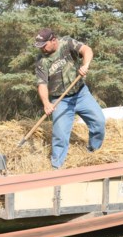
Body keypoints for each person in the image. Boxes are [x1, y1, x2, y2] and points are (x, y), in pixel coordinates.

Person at [34, 28, 106, 169]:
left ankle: (93, 151)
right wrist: (46, 103)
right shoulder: (41, 60)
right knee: (60, 135)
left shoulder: (67, 43)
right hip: (60, 100)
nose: (42, 49)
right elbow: (42, 84)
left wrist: (85, 65)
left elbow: (87, 50)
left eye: (44, 45)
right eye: (40, 46)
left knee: (99, 122)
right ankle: (57, 167)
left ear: (53, 40)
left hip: (80, 94)